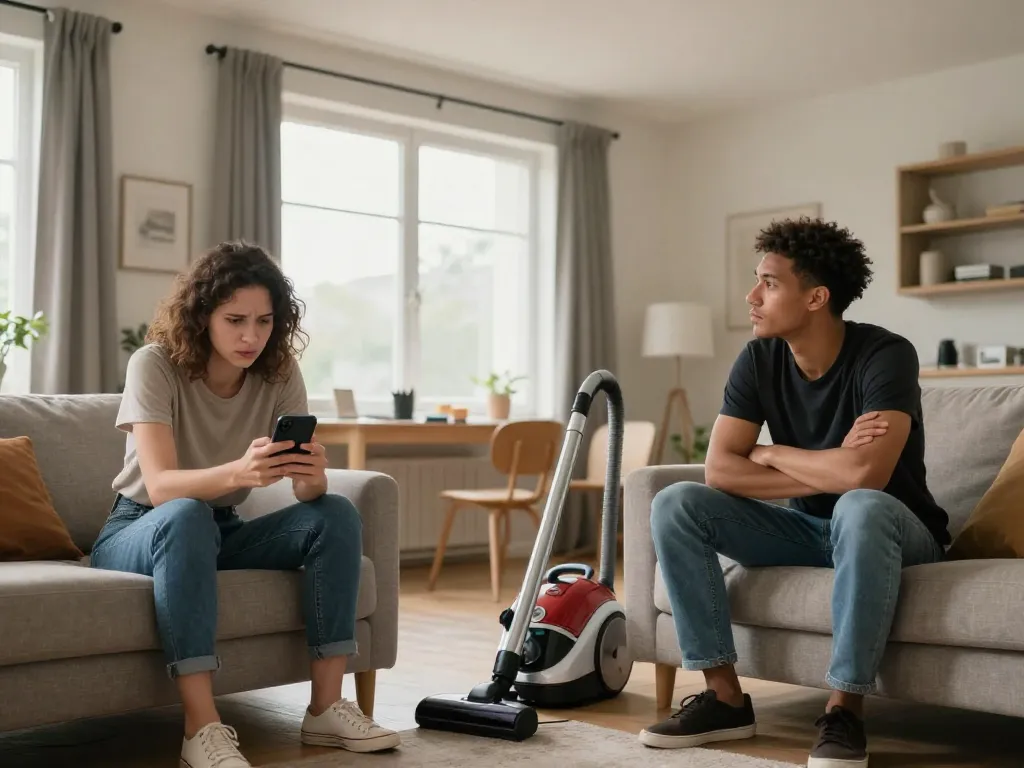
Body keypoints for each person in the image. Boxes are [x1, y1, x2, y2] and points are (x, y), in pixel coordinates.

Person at [637, 218, 949, 768]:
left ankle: (844, 711)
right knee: (677, 502)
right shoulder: (759, 360)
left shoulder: (886, 355)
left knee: (859, 505)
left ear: (816, 297)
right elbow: (720, 471)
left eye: (769, 283)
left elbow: (865, 477)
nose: (751, 297)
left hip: (896, 532)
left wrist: (772, 452)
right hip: (811, 532)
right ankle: (724, 699)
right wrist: (831, 468)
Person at [90, 242, 400, 768]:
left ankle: (325, 708)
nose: (251, 337)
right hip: (141, 527)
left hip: (220, 529)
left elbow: (304, 496)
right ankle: (201, 728)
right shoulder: (155, 364)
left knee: (336, 514)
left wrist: (311, 478)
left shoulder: (279, 372)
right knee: (186, 513)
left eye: (264, 321)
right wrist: (238, 472)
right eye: (235, 320)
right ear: (202, 317)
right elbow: (161, 487)